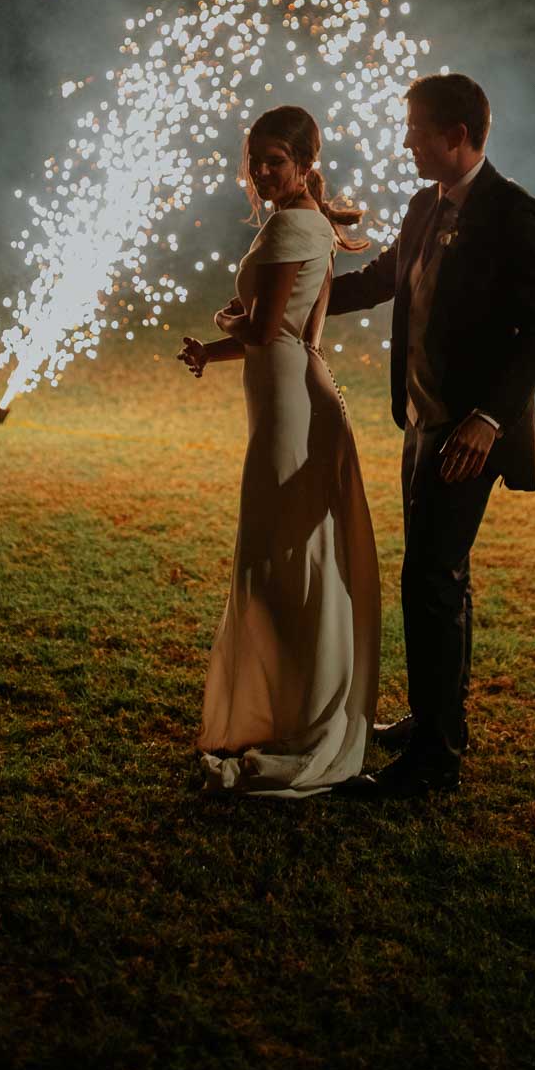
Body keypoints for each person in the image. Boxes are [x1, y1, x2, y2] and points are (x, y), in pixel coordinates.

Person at [328, 73, 535, 798]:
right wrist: (292, 299)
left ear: (457, 135)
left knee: (428, 579)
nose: (405, 143)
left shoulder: (513, 212)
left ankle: (434, 760)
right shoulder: (422, 206)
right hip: (420, 420)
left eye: (416, 131)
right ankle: (436, 719)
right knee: (440, 577)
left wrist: (487, 420)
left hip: (468, 433)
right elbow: (381, 280)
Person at [176, 105, 381, 797]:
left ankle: (298, 718)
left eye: (273, 160)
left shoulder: (293, 223)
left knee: (278, 559)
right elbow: (280, 332)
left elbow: (269, 329)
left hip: (291, 405)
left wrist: (225, 320)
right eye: (254, 160)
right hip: (290, 389)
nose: (261, 172)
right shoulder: (306, 220)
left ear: (301, 162)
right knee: (285, 557)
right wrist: (216, 347)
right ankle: (292, 704)